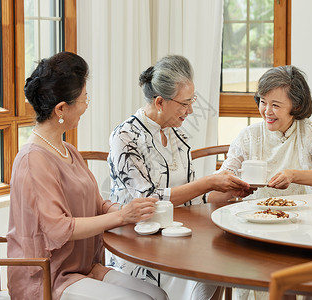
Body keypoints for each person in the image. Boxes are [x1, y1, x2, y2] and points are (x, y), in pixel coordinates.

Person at [6, 52, 168, 300]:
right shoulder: (33, 160)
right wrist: (122, 216)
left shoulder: (67, 150)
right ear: (61, 109)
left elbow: (97, 205)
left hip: (84, 269)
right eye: (83, 99)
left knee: (158, 295)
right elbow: (59, 229)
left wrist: (132, 211)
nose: (86, 105)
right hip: (49, 278)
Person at [108, 55, 254, 300]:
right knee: (210, 267)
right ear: (160, 102)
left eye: (192, 101)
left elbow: (191, 198)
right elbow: (148, 200)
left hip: (176, 236)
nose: (191, 110)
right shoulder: (125, 137)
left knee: (221, 260)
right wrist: (208, 181)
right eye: (185, 103)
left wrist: (227, 190)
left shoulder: (179, 136)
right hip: (138, 242)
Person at [208, 65, 312, 299]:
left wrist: (293, 175)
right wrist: (234, 188)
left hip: (302, 231)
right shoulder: (248, 136)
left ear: (296, 106)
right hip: (253, 228)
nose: (266, 111)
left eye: (276, 105)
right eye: (263, 101)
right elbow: (213, 194)